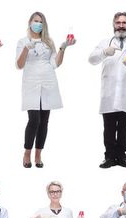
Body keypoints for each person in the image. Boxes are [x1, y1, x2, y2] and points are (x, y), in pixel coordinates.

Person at [90, 12, 126, 168]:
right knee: (108, 127)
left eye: (124, 23)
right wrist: (104, 52)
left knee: (123, 126)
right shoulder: (105, 42)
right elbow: (91, 59)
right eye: (118, 23)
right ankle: (109, 157)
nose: (121, 25)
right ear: (113, 24)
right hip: (108, 93)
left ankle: (121, 157)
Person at [17, 12, 73, 169]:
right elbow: (19, 65)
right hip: (31, 83)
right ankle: (27, 152)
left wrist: (63, 47)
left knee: (44, 121)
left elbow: (56, 63)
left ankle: (38, 154)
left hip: (48, 82)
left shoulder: (48, 41)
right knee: (34, 120)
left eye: (41, 22)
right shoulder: (22, 41)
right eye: (36, 21)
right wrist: (26, 49)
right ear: (30, 22)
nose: (38, 24)